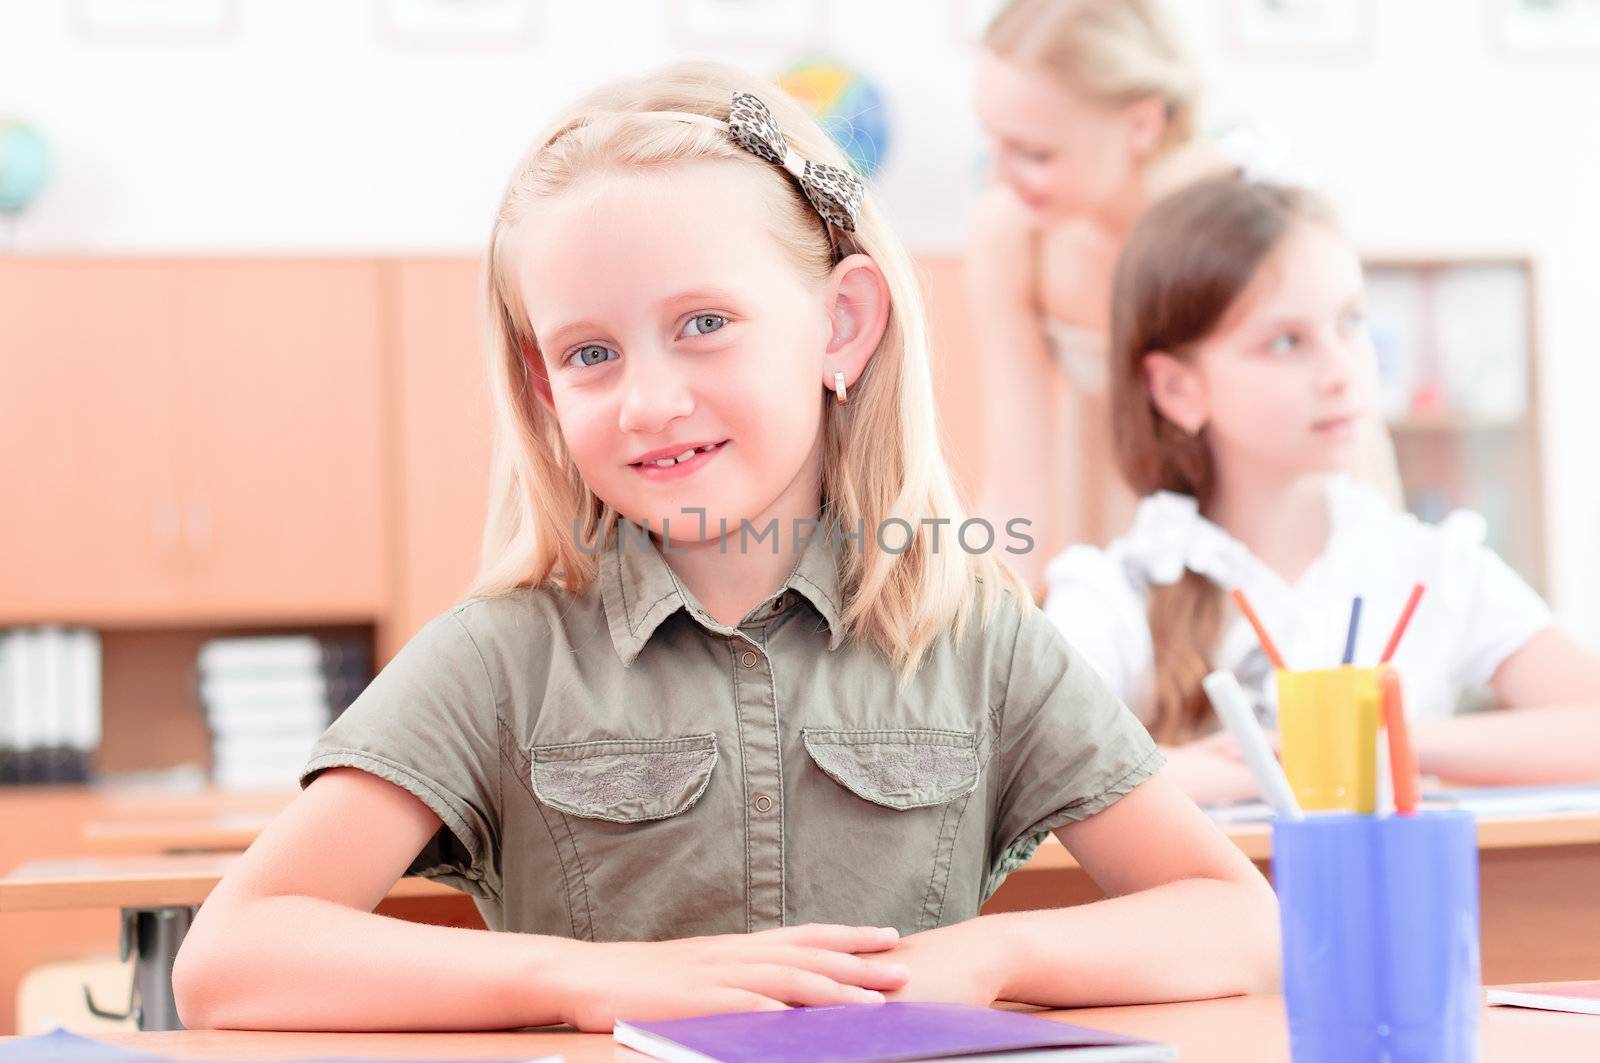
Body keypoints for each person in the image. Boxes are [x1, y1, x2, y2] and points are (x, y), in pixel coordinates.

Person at [170, 62, 1277, 1032]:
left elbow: (1238, 920)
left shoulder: (973, 635)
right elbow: (230, 957)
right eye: (590, 352)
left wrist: (994, 955)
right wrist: (586, 980)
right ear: (539, 385)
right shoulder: (499, 657)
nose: (650, 398)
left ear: (840, 325)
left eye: (703, 323)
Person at [1043, 174, 1600, 805]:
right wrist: (1268, 765)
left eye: (1352, 322)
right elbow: (1041, 778)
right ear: (1177, 389)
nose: (1343, 371)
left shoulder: (1429, 567)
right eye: (1286, 342)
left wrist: (1389, 743)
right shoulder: (1117, 593)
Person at [966, 0, 1400, 592]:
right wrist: (985, 629)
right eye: (993, 140)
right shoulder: (1010, 235)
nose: (998, 176)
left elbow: (1320, 437)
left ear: (1142, 124)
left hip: (1286, 515)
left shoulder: (1241, 214)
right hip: (1122, 527)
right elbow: (1018, 483)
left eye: (1035, 154)